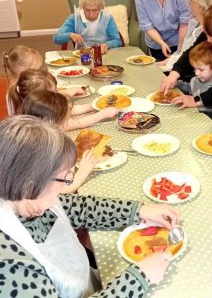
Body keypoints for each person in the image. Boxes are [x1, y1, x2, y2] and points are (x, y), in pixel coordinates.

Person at [0, 115, 179, 297]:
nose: (67, 185)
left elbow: (82, 208)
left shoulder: (28, 199)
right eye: (65, 178)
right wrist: (139, 278)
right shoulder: (10, 266)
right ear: (29, 186)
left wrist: (139, 210)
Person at [16, 89, 109, 194]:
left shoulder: (29, 138)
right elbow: (61, 191)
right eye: (67, 118)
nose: (68, 122)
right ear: (55, 124)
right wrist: (84, 170)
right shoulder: (46, 152)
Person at [8, 69, 119, 130]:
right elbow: (77, 123)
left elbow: (68, 110)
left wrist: (92, 106)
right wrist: (103, 114)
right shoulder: (43, 120)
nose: (58, 92)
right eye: (54, 92)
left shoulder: (31, 107)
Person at [157, 0, 212, 72]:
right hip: (178, 65)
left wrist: (168, 67)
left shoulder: (206, 33)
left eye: (191, 1)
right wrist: (169, 61)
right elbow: (184, 52)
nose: (189, 3)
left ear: (201, 7)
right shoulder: (195, 23)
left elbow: (192, 60)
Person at [176, 41, 212, 119]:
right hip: (192, 116)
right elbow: (191, 88)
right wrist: (178, 84)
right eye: (194, 69)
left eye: (201, 69)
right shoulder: (196, 79)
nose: (196, 73)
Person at [53, 0, 122, 54]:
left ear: (100, 8)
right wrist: (70, 35)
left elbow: (117, 40)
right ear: (82, 7)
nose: (91, 14)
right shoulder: (74, 18)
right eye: (87, 10)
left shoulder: (107, 18)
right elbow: (56, 38)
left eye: (95, 10)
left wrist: (107, 45)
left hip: (103, 54)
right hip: (82, 56)